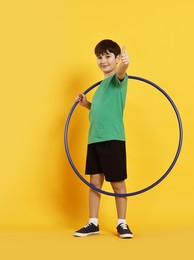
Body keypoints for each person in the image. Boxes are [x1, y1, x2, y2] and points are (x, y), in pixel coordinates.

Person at [73, 39, 133, 239]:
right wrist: (86, 104)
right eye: (99, 57)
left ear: (116, 59)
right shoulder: (99, 87)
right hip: (94, 139)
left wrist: (125, 62)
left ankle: (122, 223)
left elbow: (122, 70)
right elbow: (100, 110)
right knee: (95, 182)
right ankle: (93, 223)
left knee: (117, 183)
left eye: (108, 56)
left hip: (113, 138)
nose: (103, 60)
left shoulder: (117, 80)